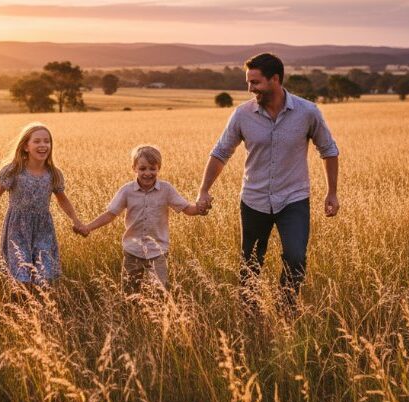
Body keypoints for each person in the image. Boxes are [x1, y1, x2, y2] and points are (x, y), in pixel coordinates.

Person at [197, 53, 340, 311]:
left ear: (275, 79)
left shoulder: (308, 112)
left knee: (296, 258)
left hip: (293, 199)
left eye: (256, 82)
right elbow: (220, 153)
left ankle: (285, 309)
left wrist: (332, 193)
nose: (251, 89)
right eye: (248, 83)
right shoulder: (242, 115)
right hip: (254, 199)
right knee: (251, 262)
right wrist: (204, 190)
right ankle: (250, 313)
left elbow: (329, 150)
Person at [76, 145, 208, 293]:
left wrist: (200, 209)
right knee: (129, 292)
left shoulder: (166, 189)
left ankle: (160, 315)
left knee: (160, 292)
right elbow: (110, 214)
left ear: (159, 168)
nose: (148, 173)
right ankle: (130, 315)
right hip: (133, 251)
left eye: (152, 168)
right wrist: (88, 227)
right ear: (134, 168)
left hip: (158, 251)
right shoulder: (126, 191)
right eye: (143, 168)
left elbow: (187, 209)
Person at [0, 123, 83, 286]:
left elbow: (63, 199)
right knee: (21, 274)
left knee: (43, 275)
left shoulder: (54, 173)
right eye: (37, 141)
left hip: (43, 228)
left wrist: (76, 221)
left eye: (47, 141)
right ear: (26, 146)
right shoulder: (13, 170)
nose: (43, 145)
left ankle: (41, 309)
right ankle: (22, 307)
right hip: (17, 228)